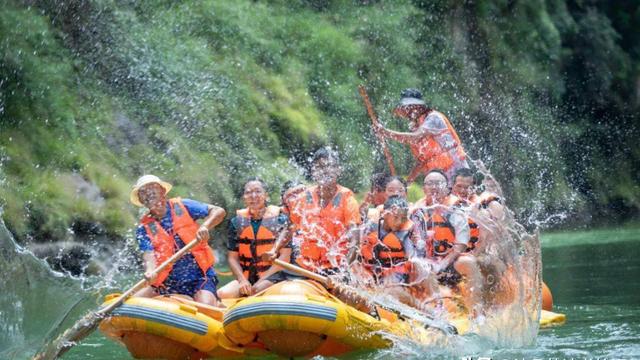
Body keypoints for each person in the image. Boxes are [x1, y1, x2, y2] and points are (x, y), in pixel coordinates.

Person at [131, 175, 225, 306]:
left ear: (163, 191)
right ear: (141, 200)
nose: (149, 194)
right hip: (168, 282)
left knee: (205, 307)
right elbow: (149, 255)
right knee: (132, 303)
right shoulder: (144, 228)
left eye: (153, 188)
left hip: (200, 278)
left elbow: (218, 211)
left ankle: (212, 301)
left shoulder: (184, 205)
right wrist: (150, 271)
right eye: (143, 192)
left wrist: (205, 226)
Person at [265, 147, 361, 275]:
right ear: (314, 171)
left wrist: (342, 274)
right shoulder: (304, 197)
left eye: (330, 166)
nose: (325, 171)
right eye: (320, 167)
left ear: (338, 170)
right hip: (305, 267)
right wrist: (274, 250)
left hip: (335, 268)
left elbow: (355, 240)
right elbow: (290, 228)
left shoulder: (347, 199)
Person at [410, 169, 482, 312]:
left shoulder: (455, 207)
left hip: (450, 261)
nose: (434, 187)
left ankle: (477, 314)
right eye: (429, 184)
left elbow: (461, 244)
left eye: (438, 183)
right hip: (426, 263)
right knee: (416, 263)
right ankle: (437, 310)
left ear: (447, 187)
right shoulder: (417, 209)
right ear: (424, 188)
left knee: (468, 262)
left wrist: (443, 263)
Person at [374, 89, 468, 183]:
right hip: (440, 175)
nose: (407, 112)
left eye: (410, 107)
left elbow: (415, 137)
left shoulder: (433, 118)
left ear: (419, 106)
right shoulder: (415, 126)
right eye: (406, 108)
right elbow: (421, 161)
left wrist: (386, 132)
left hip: (456, 169)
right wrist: (407, 184)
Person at [217, 178, 291, 298]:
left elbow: (285, 258)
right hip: (247, 276)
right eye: (248, 192)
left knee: (256, 290)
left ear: (266, 196)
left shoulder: (280, 219)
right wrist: (242, 280)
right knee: (222, 293)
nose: (253, 196)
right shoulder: (236, 222)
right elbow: (232, 258)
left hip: (273, 275)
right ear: (244, 197)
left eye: (258, 191)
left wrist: (261, 280)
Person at [359, 196, 421, 306]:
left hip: (396, 271)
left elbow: (412, 257)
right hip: (373, 270)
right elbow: (361, 256)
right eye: (396, 217)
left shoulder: (405, 233)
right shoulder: (370, 227)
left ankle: (420, 306)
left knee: (390, 288)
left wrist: (416, 244)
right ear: (386, 213)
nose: (399, 222)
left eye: (403, 219)